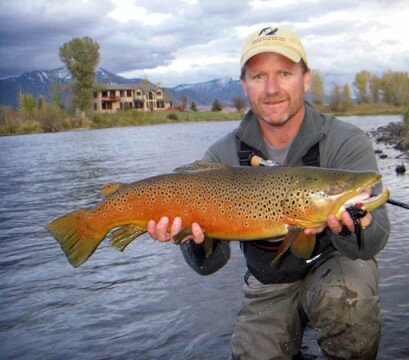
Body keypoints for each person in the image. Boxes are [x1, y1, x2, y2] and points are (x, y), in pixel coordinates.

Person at [147, 26, 390, 359]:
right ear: (244, 85)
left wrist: (358, 227)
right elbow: (209, 267)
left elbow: (374, 242)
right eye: (259, 76)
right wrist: (193, 240)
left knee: (350, 303)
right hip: (268, 281)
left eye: (285, 73)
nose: (272, 88)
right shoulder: (221, 157)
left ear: (306, 79)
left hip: (338, 268)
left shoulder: (347, 142)